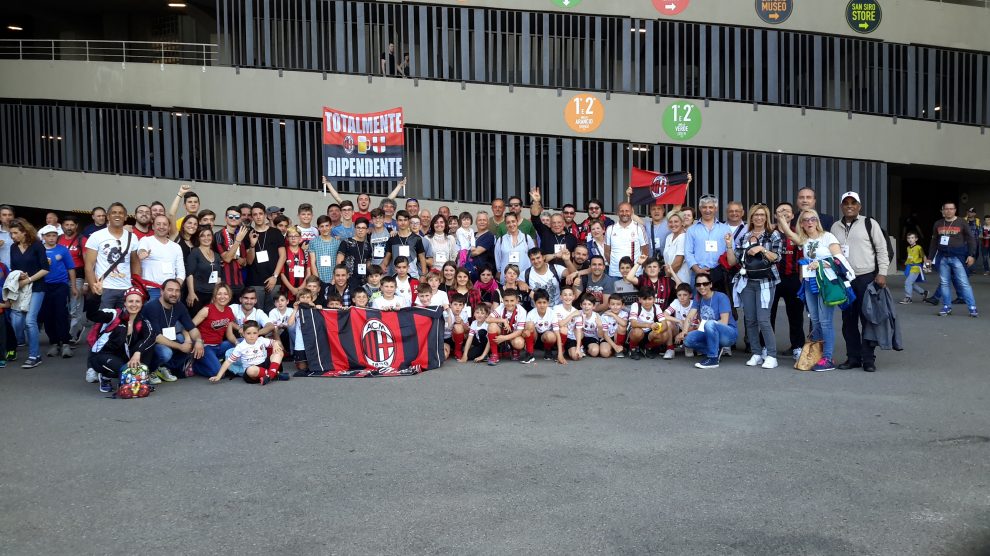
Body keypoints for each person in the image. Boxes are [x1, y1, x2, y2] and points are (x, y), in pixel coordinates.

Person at [830, 191, 889, 372]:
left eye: (853, 203)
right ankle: (853, 357)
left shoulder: (869, 223)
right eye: (846, 203)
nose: (849, 206)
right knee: (848, 320)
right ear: (841, 206)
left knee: (867, 319)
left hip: (866, 278)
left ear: (859, 206)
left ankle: (868, 359)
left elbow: (882, 249)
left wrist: (882, 273)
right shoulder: (835, 227)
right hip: (844, 279)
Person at [725, 203, 783, 369]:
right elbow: (732, 261)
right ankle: (756, 353)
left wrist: (761, 249)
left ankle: (771, 355)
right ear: (751, 217)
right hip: (747, 282)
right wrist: (729, 245)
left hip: (766, 282)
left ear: (766, 217)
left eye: (762, 215)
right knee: (750, 320)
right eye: (756, 215)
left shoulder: (773, 235)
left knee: (763, 320)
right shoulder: (745, 236)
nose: (759, 218)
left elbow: (777, 257)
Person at [795, 209, 847, 371]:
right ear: (801, 224)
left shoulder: (828, 237)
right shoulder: (805, 240)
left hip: (826, 283)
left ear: (818, 221)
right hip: (810, 283)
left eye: (813, 219)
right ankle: (817, 355)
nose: (810, 222)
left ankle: (828, 358)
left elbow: (839, 259)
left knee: (825, 321)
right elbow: (791, 235)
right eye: (806, 220)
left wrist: (820, 263)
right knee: (815, 320)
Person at [85, 286, 155, 393]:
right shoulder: (113, 315)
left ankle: (141, 378)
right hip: (102, 355)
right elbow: (92, 315)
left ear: (142, 304)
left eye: (137, 301)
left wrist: (138, 352)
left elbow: (151, 336)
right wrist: (97, 296)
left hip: (124, 356)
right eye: (130, 301)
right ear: (125, 303)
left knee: (148, 344)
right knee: (124, 369)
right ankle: (105, 377)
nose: (134, 304)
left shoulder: (142, 320)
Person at [144, 278, 204, 383]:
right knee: (165, 352)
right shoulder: (152, 307)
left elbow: (191, 328)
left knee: (191, 342)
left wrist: (198, 341)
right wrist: (181, 347)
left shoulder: (179, 306)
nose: (174, 294)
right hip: (150, 343)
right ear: (162, 291)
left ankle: (164, 367)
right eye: (170, 290)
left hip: (167, 338)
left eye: (177, 290)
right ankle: (149, 370)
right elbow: (156, 337)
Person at [8, 220, 50, 368]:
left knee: (30, 321)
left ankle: (34, 355)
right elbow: (13, 268)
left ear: (24, 232)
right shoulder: (13, 247)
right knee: (17, 322)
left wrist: (29, 279)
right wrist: (19, 276)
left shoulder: (37, 245)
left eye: (15, 233)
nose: (13, 236)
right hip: (20, 288)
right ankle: (23, 347)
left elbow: (45, 269)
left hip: (37, 287)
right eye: (11, 233)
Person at [926, 201, 978, 318]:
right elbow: (934, 241)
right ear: (943, 211)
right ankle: (946, 307)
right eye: (946, 209)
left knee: (964, 283)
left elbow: (971, 239)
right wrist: (930, 258)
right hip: (943, 257)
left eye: (951, 209)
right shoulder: (938, 223)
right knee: (944, 283)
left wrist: (971, 255)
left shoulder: (962, 222)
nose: (949, 211)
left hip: (958, 257)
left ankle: (972, 308)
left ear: (955, 210)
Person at [85, 202, 141, 310]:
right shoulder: (96, 236)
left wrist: (136, 285)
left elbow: (135, 262)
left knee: (124, 319)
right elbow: (89, 265)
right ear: (108, 216)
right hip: (104, 288)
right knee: (103, 320)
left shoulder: (132, 237)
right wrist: (93, 287)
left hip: (126, 287)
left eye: (121, 213)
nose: (117, 215)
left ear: (125, 217)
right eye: (114, 212)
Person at [770, 202, 806, 360]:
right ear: (775, 215)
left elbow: (803, 259)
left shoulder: (798, 233)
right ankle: (767, 347)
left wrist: (802, 281)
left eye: (787, 211)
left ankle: (797, 346)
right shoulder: (769, 233)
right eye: (780, 210)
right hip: (772, 279)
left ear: (792, 215)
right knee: (768, 315)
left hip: (793, 279)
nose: (784, 212)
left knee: (796, 315)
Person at [680, 275, 738, 370]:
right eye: (698, 284)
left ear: (710, 284)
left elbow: (724, 321)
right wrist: (684, 331)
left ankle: (713, 359)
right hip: (708, 331)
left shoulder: (721, 297)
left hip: (728, 334)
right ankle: (715, 350)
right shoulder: (698, 298)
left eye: (705, 284)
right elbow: (689, 317)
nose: (702, 287)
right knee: (688, 340)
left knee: (710, 323)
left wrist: (703, 325)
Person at [210, 320, 286, 385]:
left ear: (258, 333)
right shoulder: (240, 347)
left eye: (254, 333)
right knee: (250, 370)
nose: (252, 336)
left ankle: (269, 376)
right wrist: (218, 376)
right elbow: (228, 362)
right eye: (248, 333)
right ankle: (274, 374)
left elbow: (275, 342)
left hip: (264, 365)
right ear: (243, 334)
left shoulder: (261, 340)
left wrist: (275, 344)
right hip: (253, 371)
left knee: (279, 352)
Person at [685, 194, 732, 294]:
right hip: (698, 275)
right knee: (699, 303)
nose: (707, 210)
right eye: (704, 207)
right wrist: (697, 270)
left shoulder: (725, 229)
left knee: (720, 302)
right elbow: (688, 252)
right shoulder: (692, 230)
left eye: (711, 207)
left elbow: (731, 251)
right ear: (700, 208)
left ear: (716, 209)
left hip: (720, 275)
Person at [40, 225, 75, 359]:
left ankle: (65, 343)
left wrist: (73, 286)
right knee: (48, 315)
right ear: (43, 237)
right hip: (44, 286)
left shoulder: (63, 250)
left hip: (61, 285)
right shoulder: (39, 250)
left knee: (61, 313)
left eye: (54, 235)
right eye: (48, 236)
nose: (51, 238)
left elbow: (71, 268)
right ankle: (54, 343)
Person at [136, 215, 185, 303]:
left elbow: (181, 271)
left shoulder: (176, 247)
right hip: (151, 289)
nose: (161, 227)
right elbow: (141, 250)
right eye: (158, 224)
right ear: (153, 226)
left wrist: (176, 288)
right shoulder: (146, 240)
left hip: (171, 292)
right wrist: (142, 253)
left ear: (169, 227)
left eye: (165, 224)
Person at [191, 283, 236, 379]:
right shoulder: (207, 310)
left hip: (219, 346)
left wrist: (237, 343)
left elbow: (229, 335)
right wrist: (197, 341)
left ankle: (216, 361)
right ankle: (194, 366)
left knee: (243, 342)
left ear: (229, 296)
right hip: (205, 347)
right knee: (220, 374)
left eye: (225, 294)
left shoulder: (229, 310)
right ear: (215, 296)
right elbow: (189, 327)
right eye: (219, 294)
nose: (222, 297)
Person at [57, 214, 87, 344]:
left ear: (76, 226)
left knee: (75, 308)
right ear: (62, 226)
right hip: (60, 277)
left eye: (72, 225)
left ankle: (72, 336)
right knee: (63, 308)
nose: (69, 227)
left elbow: (87, 262)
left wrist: (87, 282)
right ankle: (69, 331)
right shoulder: (58, 239)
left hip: (78, 276)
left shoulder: (82, 240)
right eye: (66, 225)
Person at [529, 187, 578, 265]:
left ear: (563, 223)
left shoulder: (572, 238)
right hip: (546, 270)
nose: (556, 225)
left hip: (565, 270)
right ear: (550, 224)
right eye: (554, 223)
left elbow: (575, 259)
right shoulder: (545, 232)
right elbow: (535, 218)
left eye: (559, 222)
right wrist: (536, 201)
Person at [184, 227, 223, 316]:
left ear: (212, 237)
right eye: (202, 236)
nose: (206, 238)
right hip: (197, 294)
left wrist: (216, 295)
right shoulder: (195, 252)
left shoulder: (216, 255)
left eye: (209, 235)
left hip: (212, 295)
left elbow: (218, 277)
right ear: (198, 238)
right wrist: (191, 293)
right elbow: (189, 274)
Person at [484, 289, 527, 365]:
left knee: (519, 343)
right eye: (506, 301)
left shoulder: (522, 311)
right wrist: (503, 320)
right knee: (492, 326)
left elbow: (519, 332)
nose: (509, 303)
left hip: (514, 335)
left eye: (512, 301)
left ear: (517, 300)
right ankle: (494, 354)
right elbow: (487, 320)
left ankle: (515, 350)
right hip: (502, 332)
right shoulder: (501, 307)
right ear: (503, 300)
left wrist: (504, 338)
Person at [605, 202, 648, 279]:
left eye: (627, 211)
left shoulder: (639, 228)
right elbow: (607, 252)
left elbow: (645, 252)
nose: (624, 213)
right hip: (615, 273)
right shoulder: (610, 229)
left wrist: (639, 267)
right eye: (621, 211)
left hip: (634, 273)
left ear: (631, 212)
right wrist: (614, 265)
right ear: (617, 212)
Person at [382, 211, 428, 279]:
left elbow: (422, 258)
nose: (403, 223)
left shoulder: (417, 239)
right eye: (400, 220)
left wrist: (423, 276)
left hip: (413, 275)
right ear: (396, 222)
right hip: (396, 276)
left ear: (409, 221)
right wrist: (381, 269)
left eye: (405, 220)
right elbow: (387, 258)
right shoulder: (392, 239)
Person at [494, 213, 536, 280]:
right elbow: (498, 259)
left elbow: (533, 256)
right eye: (508, 222)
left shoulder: (527, 238)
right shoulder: (501, 240)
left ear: (517, 222)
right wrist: (499, 271)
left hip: (524, 278)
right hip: (507, 279)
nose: (511, 224)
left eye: (513, 221)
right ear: (505, 224)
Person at [308, 215, 342, 286]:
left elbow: (338, 263)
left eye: (327, 226)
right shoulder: (313, 242)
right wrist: (317, 281)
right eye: (322, 226)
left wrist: (334, 279)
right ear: (318, 228)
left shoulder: (337, 242)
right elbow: (312, 263)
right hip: (319, 280)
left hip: (334, 280)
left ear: (331, 226)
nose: (324, 229)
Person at [280, 226, 309, 303]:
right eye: (290, 236)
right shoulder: (284, 252)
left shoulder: (305, 252)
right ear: (287, 238)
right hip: (286, 290)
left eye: (296, 236)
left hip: (302, 291)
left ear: (300, 238)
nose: (293, 238)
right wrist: (292, 289)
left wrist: (301, 287)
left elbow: (308, 272)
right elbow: (281, 273)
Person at [662, 211, 690, 286]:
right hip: (670, 278)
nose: (673, 224)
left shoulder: (684, 237)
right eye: (670, 222)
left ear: (682, 223)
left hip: (681, 279)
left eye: (676, 221)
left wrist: (666, 277)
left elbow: (678, 263)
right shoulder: (669, 237)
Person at [900, 232, 928, 304]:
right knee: (911, 283)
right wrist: (906, 263)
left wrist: (926, 267)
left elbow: (924, 256)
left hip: (916, 268)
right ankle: (924, 292)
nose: (910, 239)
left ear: (916, 239)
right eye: (908, 238)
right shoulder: (908, 248)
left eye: (912, 238)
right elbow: (909, 257)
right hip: (909, 267)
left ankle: (908, 298)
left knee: (908, 282)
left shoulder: (919, 247)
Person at [470, 211, 496, 280]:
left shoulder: (489, 236)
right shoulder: (473, 235)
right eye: (480, 220)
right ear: (476, 222)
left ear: (488, 222)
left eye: (484, 220)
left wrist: (463, 254)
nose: (482, 222)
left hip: (484, 274)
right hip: (471, 272)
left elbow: (476, 252)